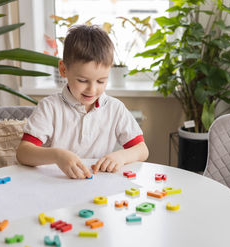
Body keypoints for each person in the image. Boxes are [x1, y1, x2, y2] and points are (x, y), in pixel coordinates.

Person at [16, 25, 149, 179]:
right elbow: (23, 153)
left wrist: (121, 157)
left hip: (98, 189)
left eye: (101, 81)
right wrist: (57, 155)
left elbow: (142, 150)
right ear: (64, 70)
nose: (92, 90)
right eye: (82, 80)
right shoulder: (50, 107)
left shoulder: (115, 109)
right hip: (56, 185)